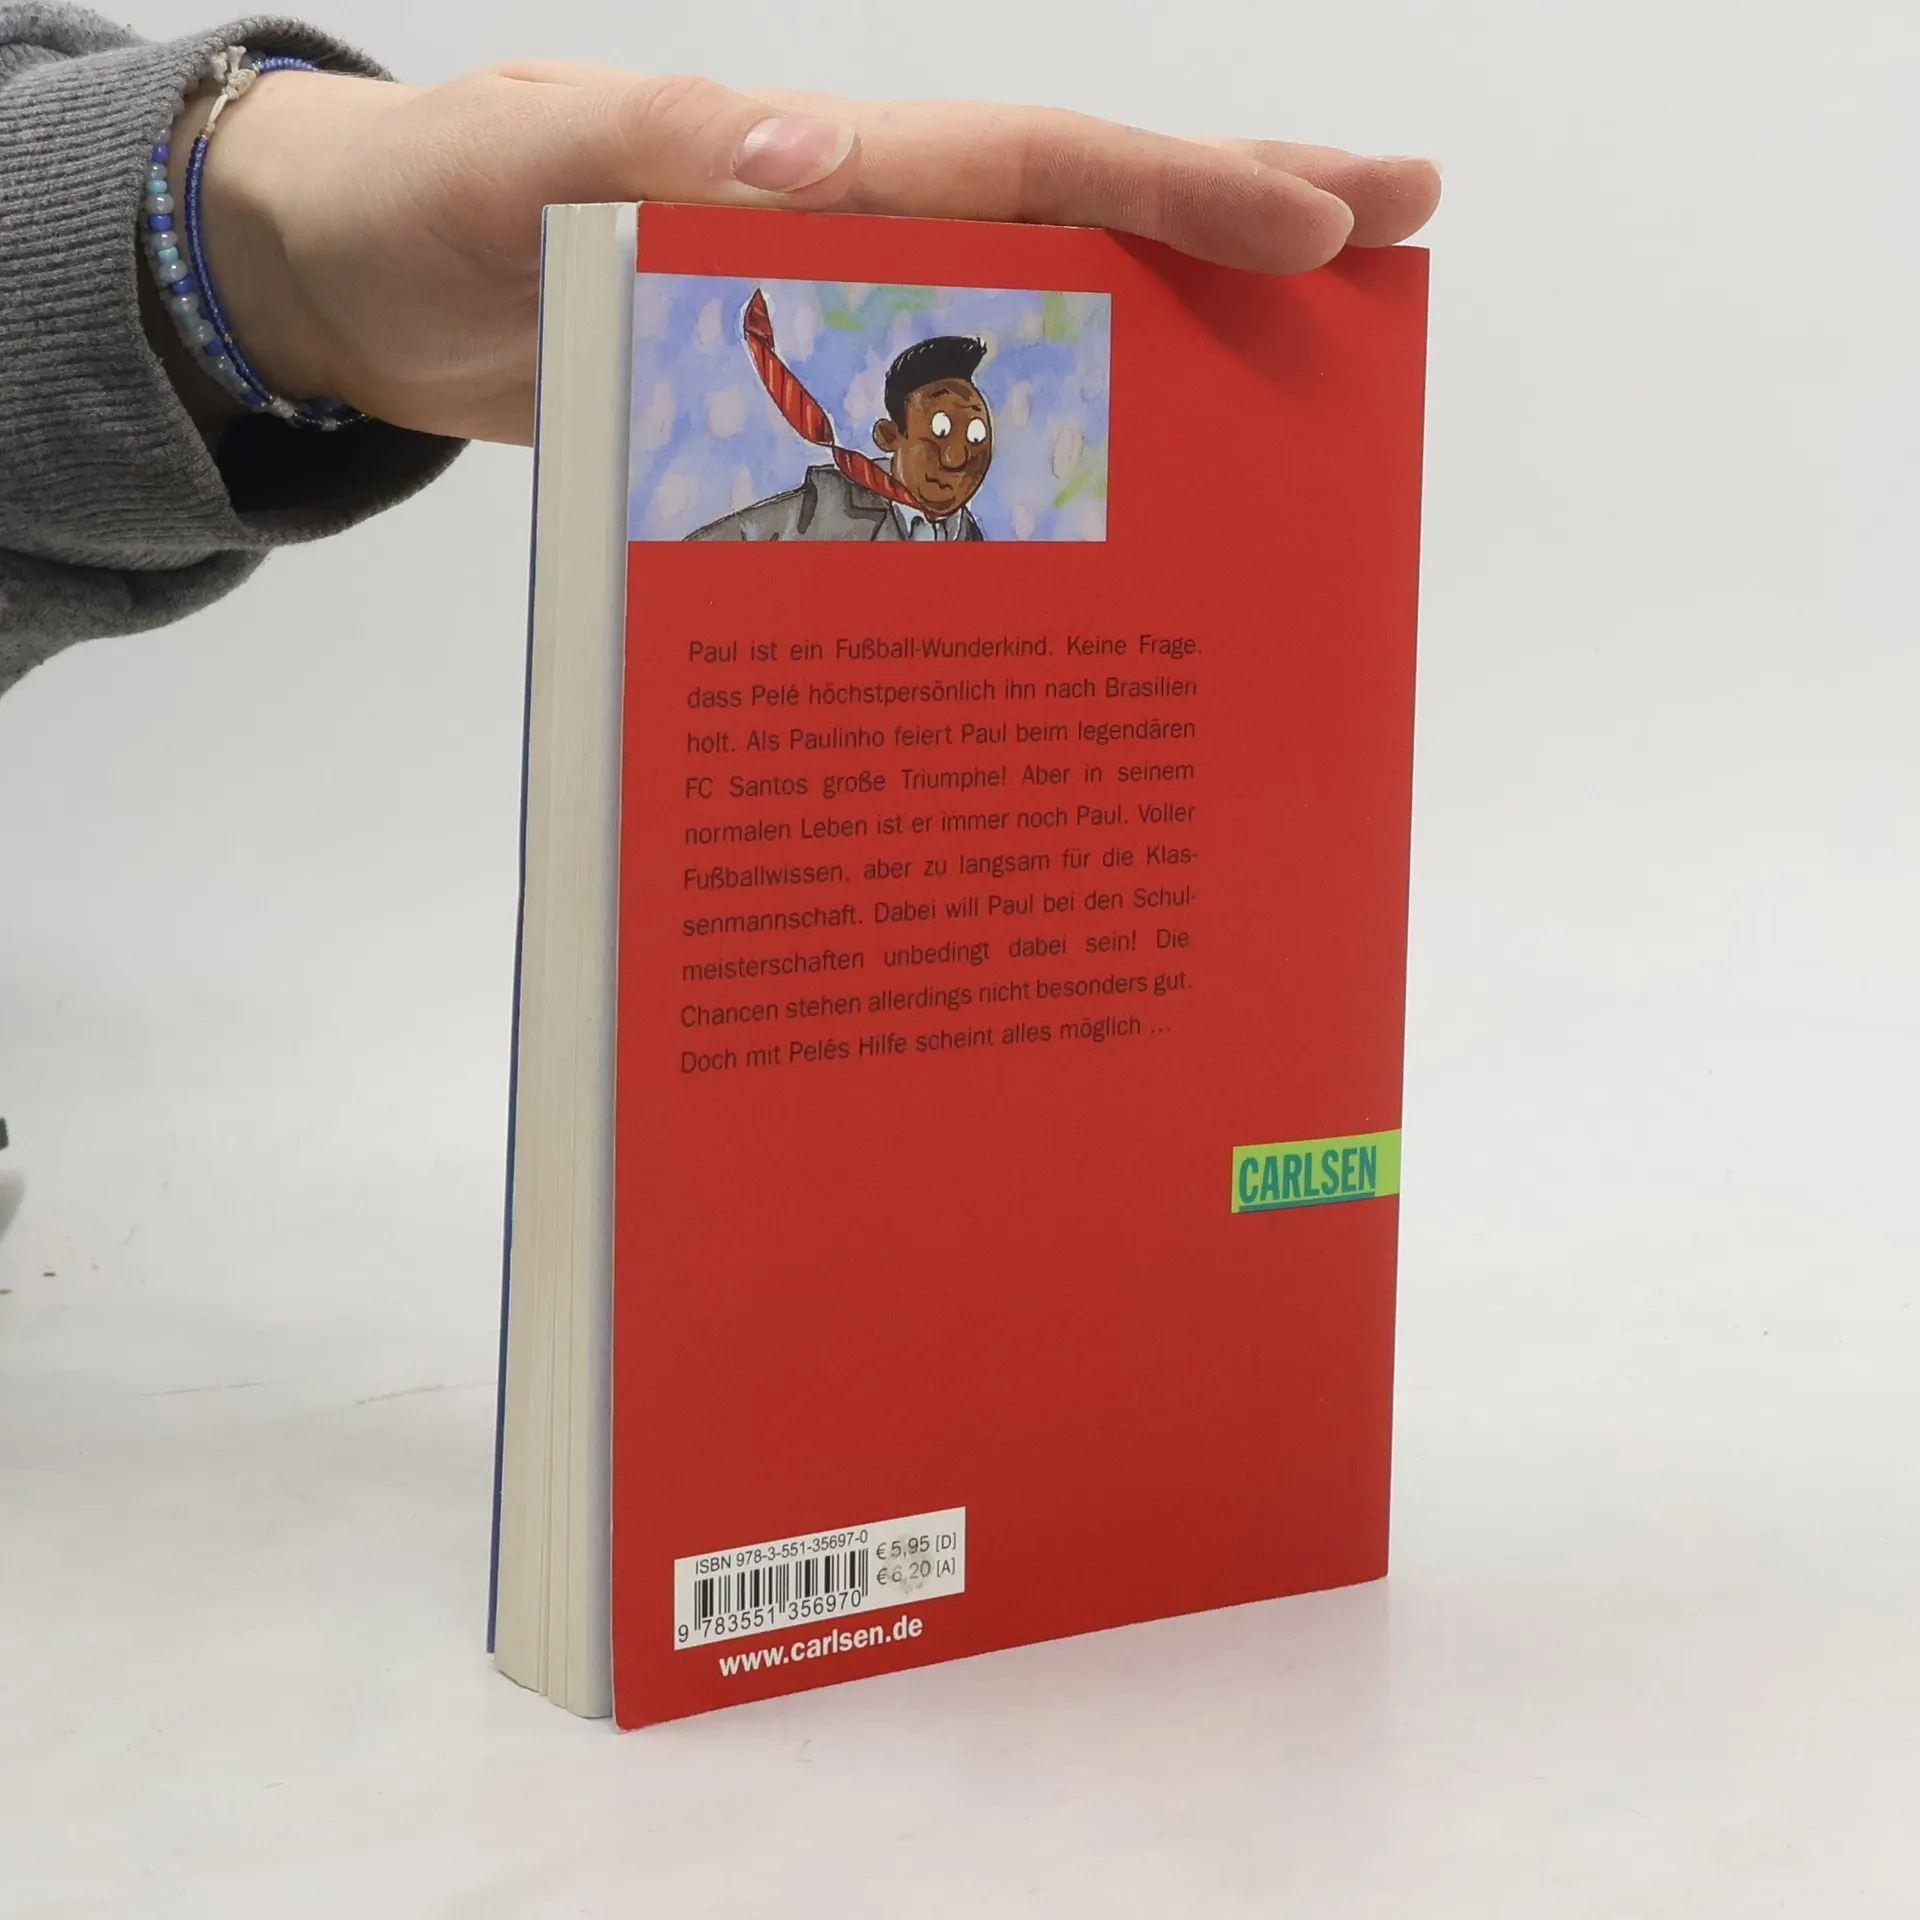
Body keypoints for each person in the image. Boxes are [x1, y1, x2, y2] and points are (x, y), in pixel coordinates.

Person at [0, 6, 1442, 700]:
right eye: (945, 424)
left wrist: (270, 268)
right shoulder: (828, 491)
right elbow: (786, 449)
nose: (962, 447)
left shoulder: (989, 536)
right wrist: (244, 246)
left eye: (975, 433)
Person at [690, 332, 994, 542]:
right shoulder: (829, 505)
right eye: (940, 432)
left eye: (976, 436)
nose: (955, 457)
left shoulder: (969, 538)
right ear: (889, 436)